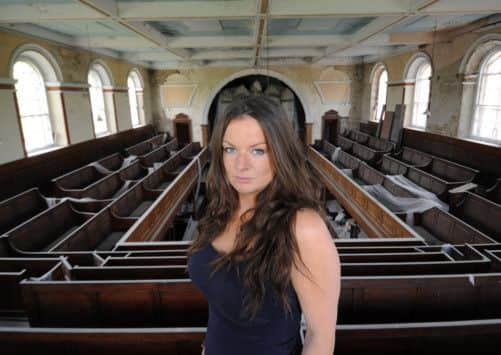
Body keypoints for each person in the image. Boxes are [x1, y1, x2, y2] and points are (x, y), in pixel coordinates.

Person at [188, 95, 341, 355]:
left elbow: (321, 336)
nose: (240, 164)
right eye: (230, 149)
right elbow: (222, 305)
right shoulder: (220, 210)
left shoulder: (302, 227)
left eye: (258, 150)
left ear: (279, 153)